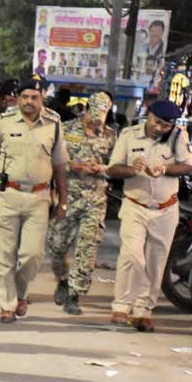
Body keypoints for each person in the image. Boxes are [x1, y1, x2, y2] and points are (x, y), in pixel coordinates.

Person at [0, 79, 69, 323]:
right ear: (18, 99)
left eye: (34, 97)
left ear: (42, 98)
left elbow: (60, 165)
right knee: (3, 254)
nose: (29, 101)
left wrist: (63, 200)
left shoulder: (54, 125)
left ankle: (20, 292)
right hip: (7, 194)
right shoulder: (3, 123)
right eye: (24, 97)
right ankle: (7, 305)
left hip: (40, 197)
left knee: (33, 254)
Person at [106, 100, 192, 332]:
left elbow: (188, 166)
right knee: (132, 256)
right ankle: (121, 307)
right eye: (157, 122)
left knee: (155, 262)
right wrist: (131, 170)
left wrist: (164, 169)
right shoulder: (129, 135)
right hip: (135, 205)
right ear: (148, 115)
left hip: (165, 209)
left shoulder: (177, 136)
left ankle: (143, 311)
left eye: (166, 125)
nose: (160, 128)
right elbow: (113, 169)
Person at [46, 92, 116, 315]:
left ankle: (75, 295)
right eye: (94, 116)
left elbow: (116, 165)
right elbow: (49, 161)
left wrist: (101, 169)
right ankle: (63, 280)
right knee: (56, 246)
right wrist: (71, 166)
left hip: (95, 200)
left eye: (101, 117)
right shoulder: (65, 130)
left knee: (87, 248)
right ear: (85, 109)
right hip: (67, 197)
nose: (97, 122)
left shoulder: (111, 136)